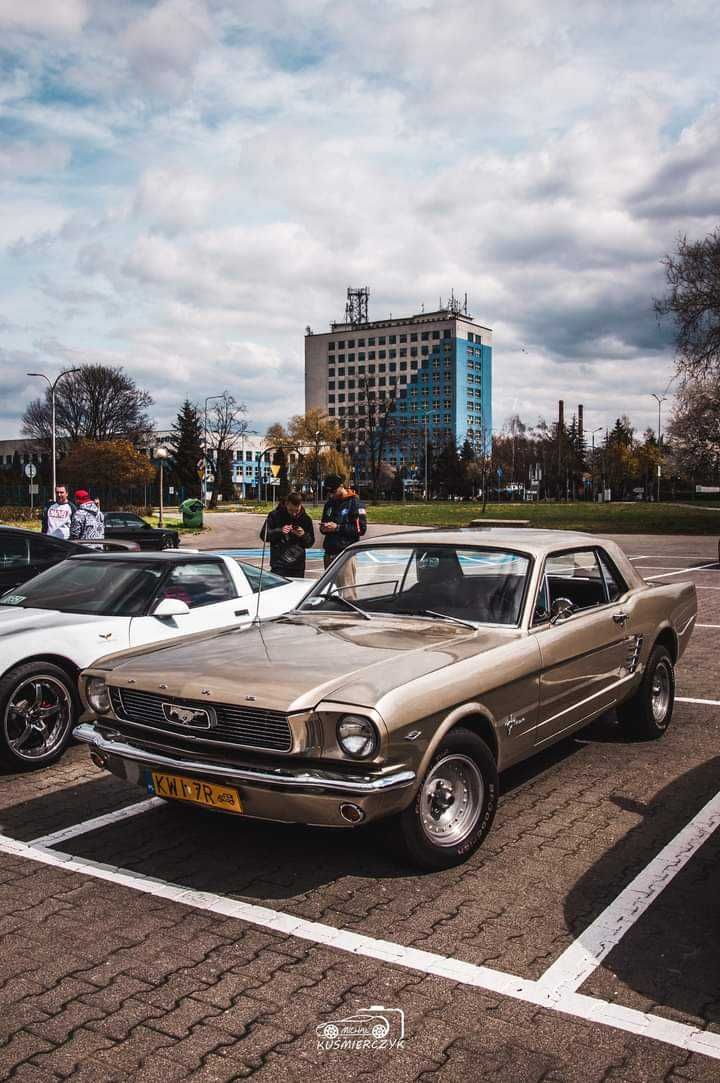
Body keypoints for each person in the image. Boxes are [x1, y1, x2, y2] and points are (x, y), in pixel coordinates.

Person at [260, 492, 315, 577]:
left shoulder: (306, 519)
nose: (294, 513)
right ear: (286, 504)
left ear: (301, 505)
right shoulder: (274, 515)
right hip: (279, 565)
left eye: (297, 511)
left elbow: (310, 543)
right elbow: (263, 535)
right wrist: (279, 531)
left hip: (297, 566)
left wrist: (303, 535)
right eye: (291, 510)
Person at [319, 474, 367, 570]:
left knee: (345, 585)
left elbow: (360, 529)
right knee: (328, 585)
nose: (331, 495)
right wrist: (324, 528)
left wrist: (337, 527)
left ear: (341, 486)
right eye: (328, 492)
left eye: (333, 491)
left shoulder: (354, 502)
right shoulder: (329, 504)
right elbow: (324, 523)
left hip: (345, 555)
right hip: (329, 553)